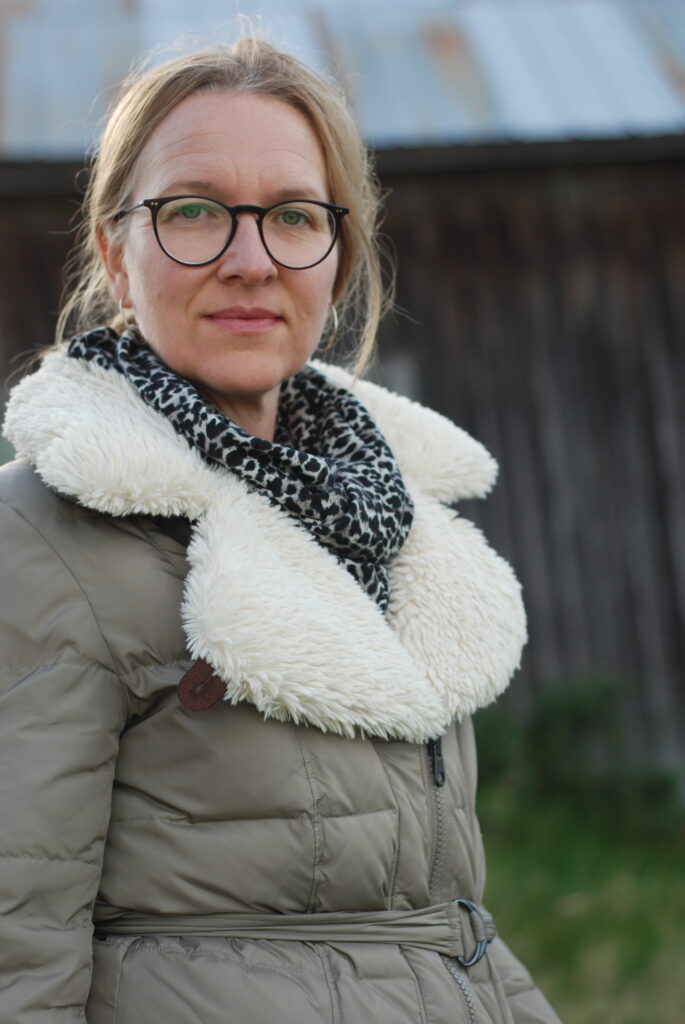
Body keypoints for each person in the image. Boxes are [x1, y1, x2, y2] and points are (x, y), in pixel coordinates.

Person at [0, 37, 561, 1024]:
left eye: (294, 216)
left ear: (337, 258)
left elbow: (433, 918)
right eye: (194, 211)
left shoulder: (382, 519)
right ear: (116, 255)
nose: (250, 261)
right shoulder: (39, 537)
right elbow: (16, 954)